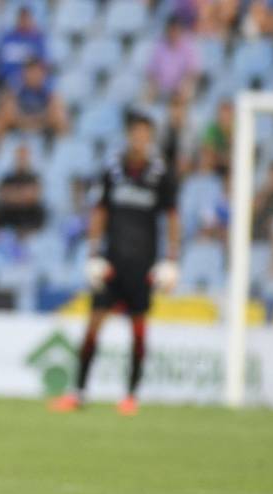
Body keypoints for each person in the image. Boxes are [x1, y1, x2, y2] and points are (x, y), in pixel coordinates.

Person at [51, 114, 181, 416]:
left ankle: (131, 396)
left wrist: (171, 259)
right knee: (93, 324)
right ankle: (79, 392)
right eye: (134, 134)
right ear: (128, 136)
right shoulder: (112, 170)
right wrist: (93, 253)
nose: (139, 140)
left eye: (144, 135)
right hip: (112, 262)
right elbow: (100, 212)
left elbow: (172, 216)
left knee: (138, 329)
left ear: (150, 139)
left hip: (143, 264)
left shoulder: (161, 175)